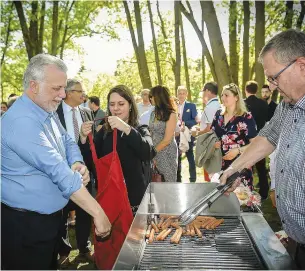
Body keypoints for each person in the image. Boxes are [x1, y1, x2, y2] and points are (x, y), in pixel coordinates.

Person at [1, 54, 111, 270]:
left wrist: (77, 163)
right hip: (25, 226)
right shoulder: (22, 122)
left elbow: (68, 141)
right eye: (57, 88)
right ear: (34, 86)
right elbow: (59, 172)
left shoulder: (46, 111)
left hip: (48, 222)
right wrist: (98, 213)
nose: (63, 94)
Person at [220, 29, 305, 270]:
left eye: (274, 77)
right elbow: (266, 138)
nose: (272, 86)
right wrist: (233, 169)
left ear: (301, 65)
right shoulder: (286, 106)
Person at [80, 85, 155, 213]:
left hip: (134, 200)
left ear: (130, 105)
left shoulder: (140, 129)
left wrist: (126, 129)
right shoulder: (104, 131)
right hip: (109, 197)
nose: (116, 109)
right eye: (112, 104)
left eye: (121, 104)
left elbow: (148, 152)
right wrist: (83, 138)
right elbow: (90, 161)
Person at [56, 79, 95, 264]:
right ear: (68, 92)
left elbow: (89, 145)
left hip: (84, 171)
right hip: (60, 170)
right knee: (62, 212)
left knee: (84, 210)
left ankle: (84, 248)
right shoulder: (54, 113)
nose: (83, 94)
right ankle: (63, 251)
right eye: (80, 91)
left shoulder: (87, 112)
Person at [211, 83, 257, 190]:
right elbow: (212, 136)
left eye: (226, 95)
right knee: (222, 202)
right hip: (219, 166)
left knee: (240, 201)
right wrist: (214, 143)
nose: (223, 98)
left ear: (236, 97)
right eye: (222, 95)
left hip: (240, 167)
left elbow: (255, 144)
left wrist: (238, 150)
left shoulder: (246, 117)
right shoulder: (218, 115)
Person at [245, 80, 269, 199]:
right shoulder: (263, 103)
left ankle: (246, 191)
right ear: (256, 90)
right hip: (261, 137)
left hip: (247, 139)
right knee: (261, 167)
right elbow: (268, 120)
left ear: (246, 90)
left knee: (246, 167)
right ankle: (264, 192)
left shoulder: (243, 104)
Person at [149, 85, 178, 182]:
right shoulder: (153, 113)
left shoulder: (171, 114)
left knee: (168, 180)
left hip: (167, 152)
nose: (150, 98)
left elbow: (167, 140)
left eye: (152, 96)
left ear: (158, 97)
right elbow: (151, 131)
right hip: (154, 150)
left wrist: (152, 152)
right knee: (156, 181)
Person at [176, 86, 198, 182]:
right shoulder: (173, 105)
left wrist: (185, 124)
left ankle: (192, 179)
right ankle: (178, 178)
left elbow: (195, 121)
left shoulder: (191, 106)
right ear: (177, 94)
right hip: (176, 134)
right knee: (177, 157)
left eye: (183, 93)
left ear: (186, 94)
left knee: (190, 157)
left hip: (187, 134)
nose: (181, 95)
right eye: (179, 93)